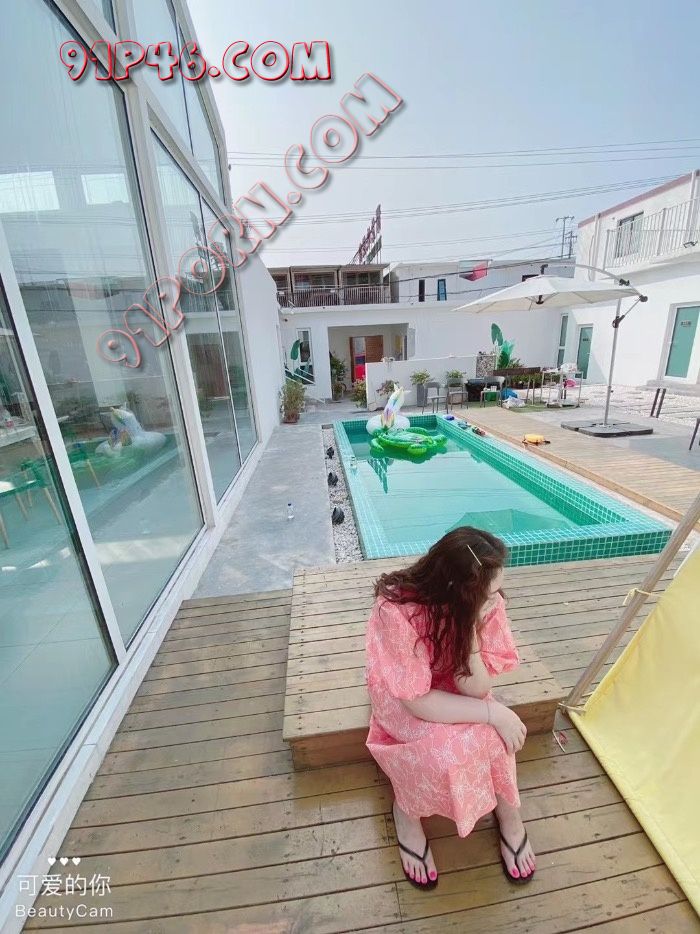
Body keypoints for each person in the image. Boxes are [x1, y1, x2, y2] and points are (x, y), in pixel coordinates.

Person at [365, 527, 536, 890]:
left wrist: (469, 633)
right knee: (441, 753)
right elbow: (417, 700)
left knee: (494, 741)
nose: (497, 600)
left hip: (450, 686)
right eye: (487, 594)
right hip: (405, 694)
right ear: (455, 590)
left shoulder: (485, 604)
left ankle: (509, 813)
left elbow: (478, 689)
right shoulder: (397, 611)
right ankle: (407, 812)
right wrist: (493, 713)